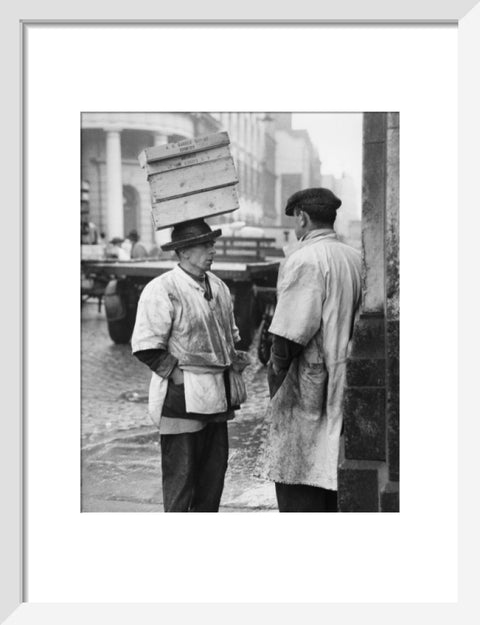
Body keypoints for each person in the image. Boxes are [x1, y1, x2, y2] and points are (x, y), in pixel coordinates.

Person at [131, 219, 249, 512]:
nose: (212, 250)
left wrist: (235, 357)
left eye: (212, 243)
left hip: (217, 399)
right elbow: (146, 346)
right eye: (204, 244)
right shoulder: (163, 289)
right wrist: (178, 376)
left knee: (212, 479)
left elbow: (230, 335)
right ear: (183, 252)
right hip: (180, 401)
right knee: (182, 479)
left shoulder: (219, 287)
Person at [259, 188, 362, 512]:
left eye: (295, 221)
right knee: (331, 468)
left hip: (310, 383)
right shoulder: (354, 257)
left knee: (300, 473)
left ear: (302, 218)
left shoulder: (304, 258)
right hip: (345, 375)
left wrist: (275, 376)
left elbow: (289, 333)